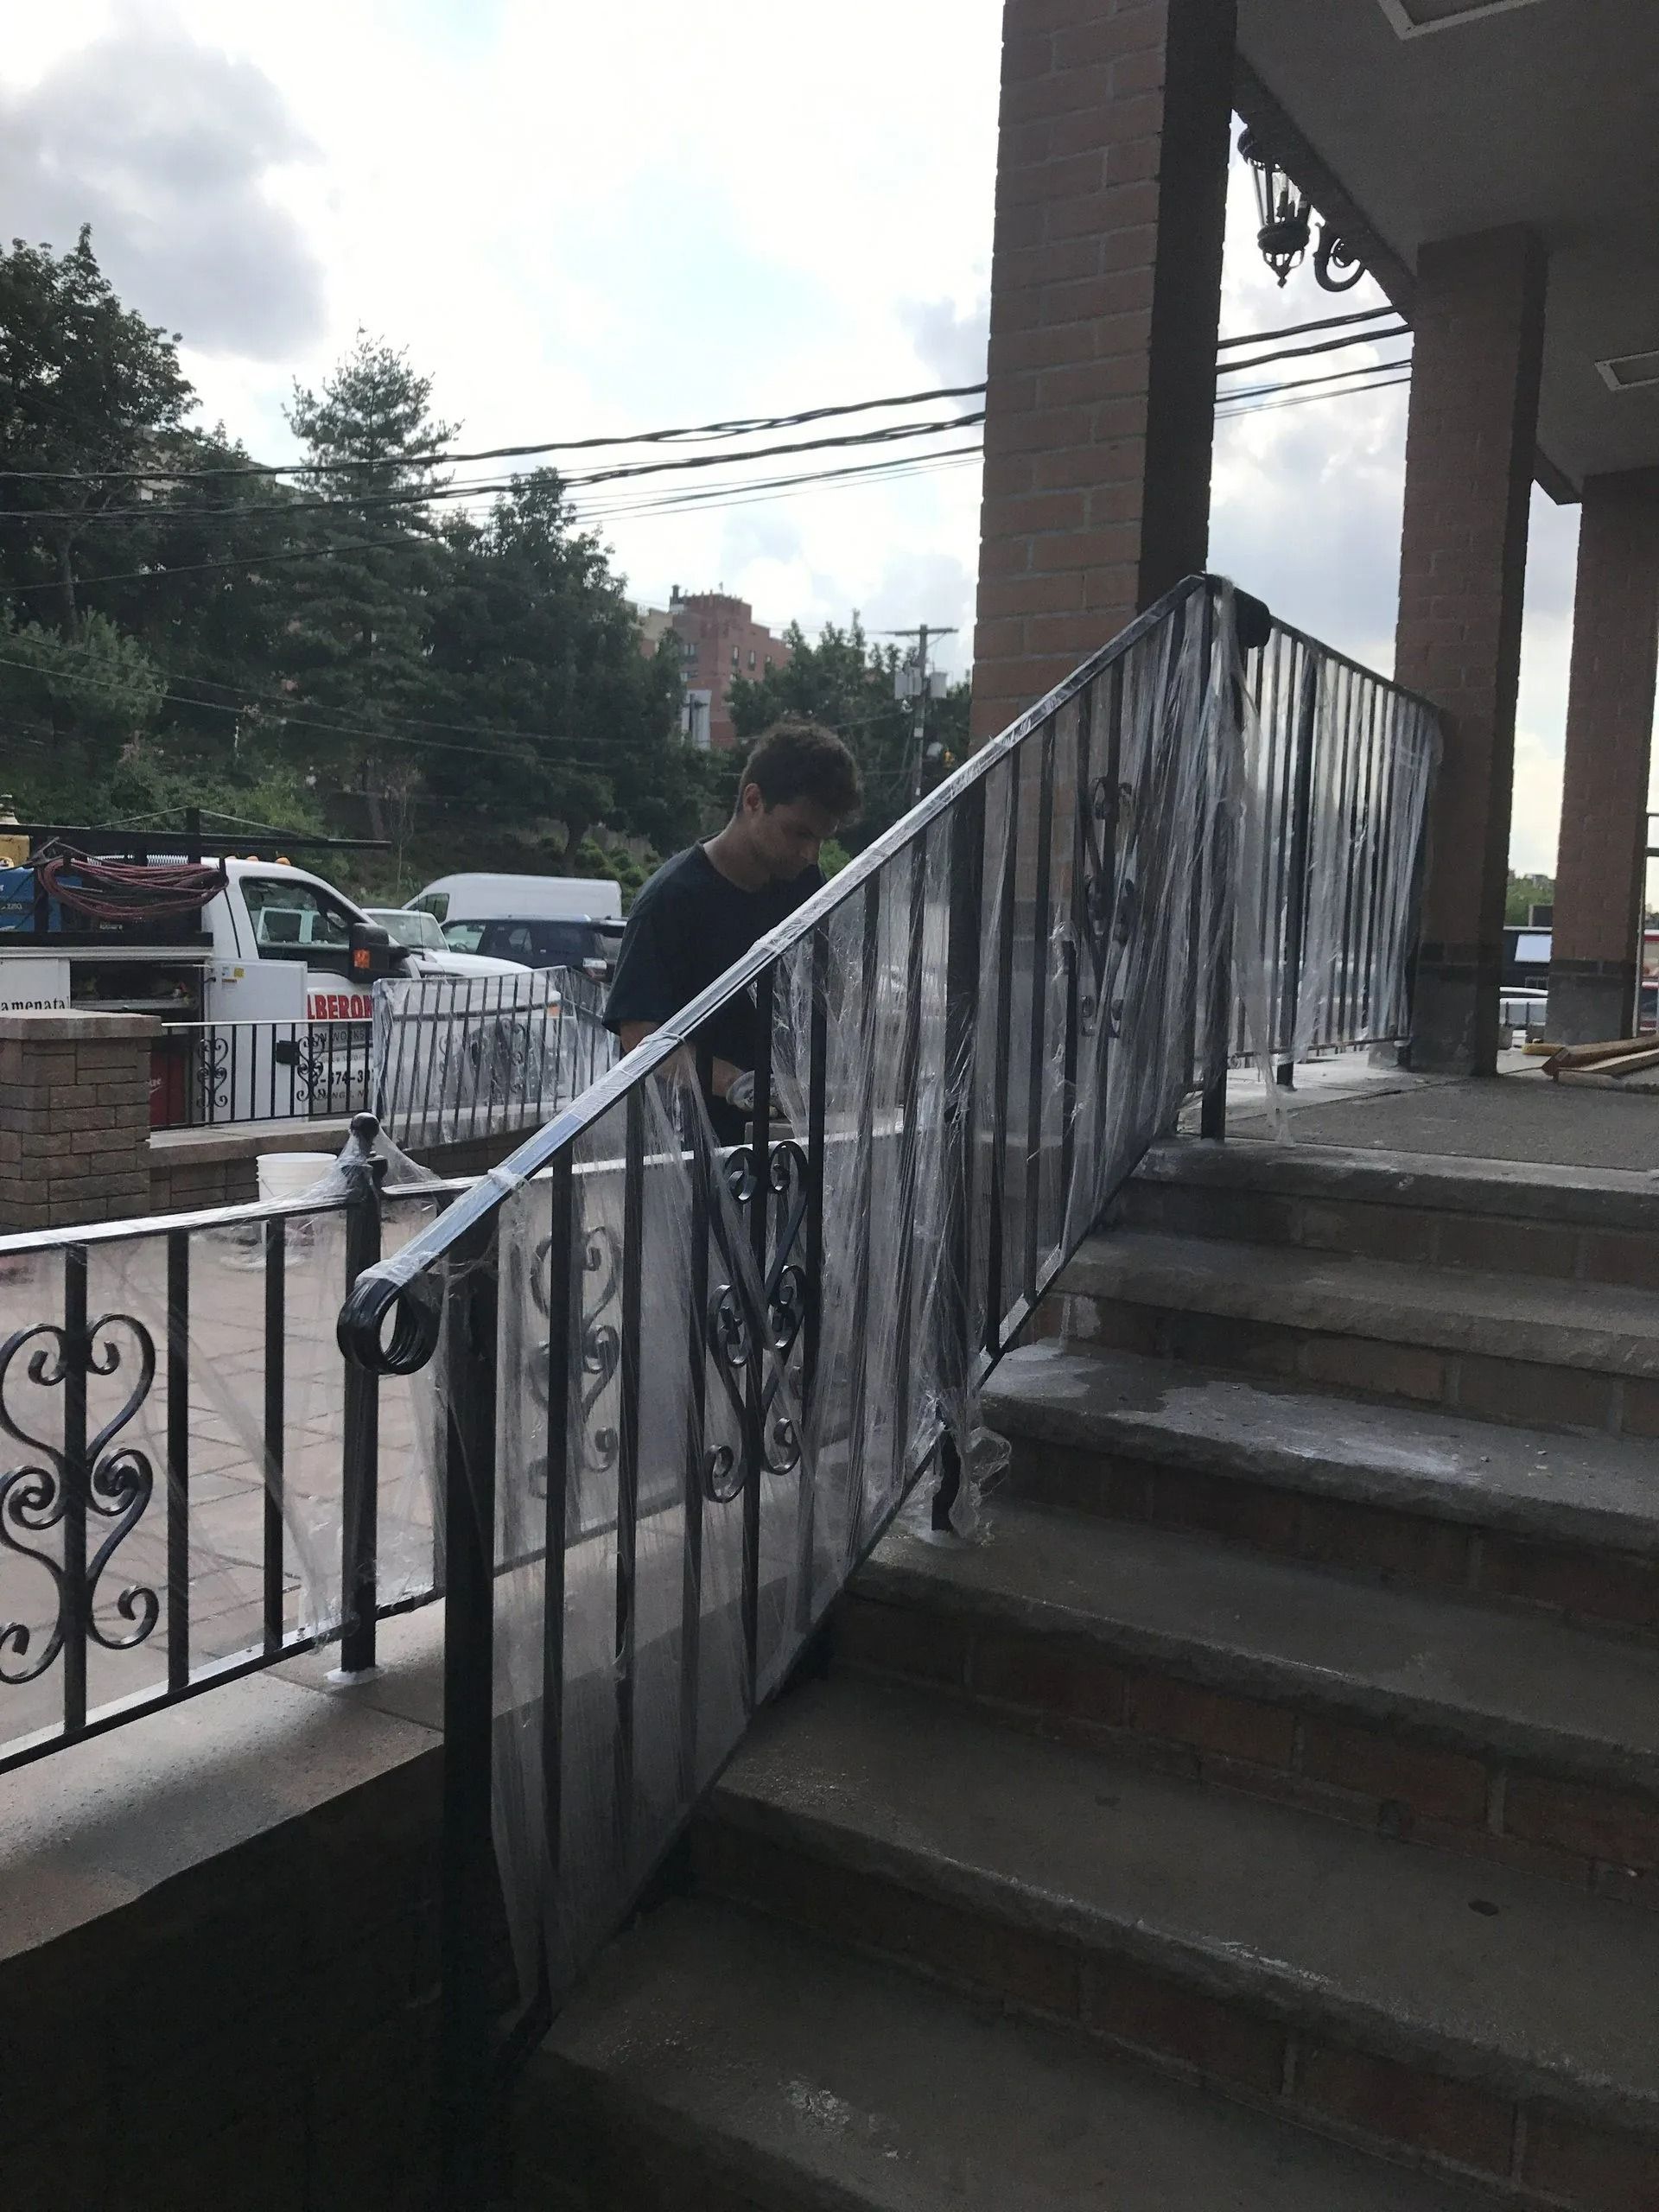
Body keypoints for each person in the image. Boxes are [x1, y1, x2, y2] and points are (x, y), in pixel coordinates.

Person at [604, 719, 861, 1140]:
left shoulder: (805, 885)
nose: (811, 854)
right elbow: (639, 1034)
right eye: (799, 833)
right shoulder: (670, 899)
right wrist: (739, 1084)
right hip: (692, 1145)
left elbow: (832, 990)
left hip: (786, 1139)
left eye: (821, 839)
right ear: (753, 800)